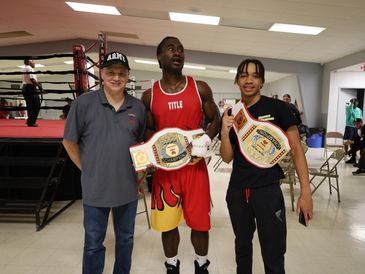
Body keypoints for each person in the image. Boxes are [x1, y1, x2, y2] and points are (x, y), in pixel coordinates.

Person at [220, 59, 313, 274]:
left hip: (268, 192)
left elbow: (297, 149)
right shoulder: (233, 113)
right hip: (237, 192)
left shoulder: (279, 108)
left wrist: (305, 192)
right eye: (244, 75)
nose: (249, 80)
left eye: (254, 75)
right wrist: (225, 132)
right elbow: (226, 158)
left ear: (262, 80)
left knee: (273, 254)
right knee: (242, 250)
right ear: (237, 80)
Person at [141, 36, 220, 274]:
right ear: (159, 56)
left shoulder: (200, 87)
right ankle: (172, 266)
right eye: (171, 48)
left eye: (181, 50)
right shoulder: (150, 95)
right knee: (167, 224)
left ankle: (201, 265)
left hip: (194, 169)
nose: (177, 53)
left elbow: (214, 119)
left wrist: (206, 138)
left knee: (200, 223)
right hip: (166, 173)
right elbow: (149, 130)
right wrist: (149, 153)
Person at [63, 51, 146, 274]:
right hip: (95, 188)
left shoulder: (138, 108)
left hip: (127, 189)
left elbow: (140, 144)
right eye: (111, 72)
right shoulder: (83, 104)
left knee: (126, 241)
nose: (116, 77)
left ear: (128, 75)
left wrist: (140, 171)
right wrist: (87, 168)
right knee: (92, 245)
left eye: (121, 73)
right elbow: (69, 142)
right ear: (102, 74)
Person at [22, 59, 42, 126]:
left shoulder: (24, 68)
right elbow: (32, 79)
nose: (34, 63)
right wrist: (39, 86)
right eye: (33, 61)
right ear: (29, 62)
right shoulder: (29, 68)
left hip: (25, 88)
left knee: (30, 105)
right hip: (30, 88)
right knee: (36, 105)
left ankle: (29, 121)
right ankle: (31, 122)